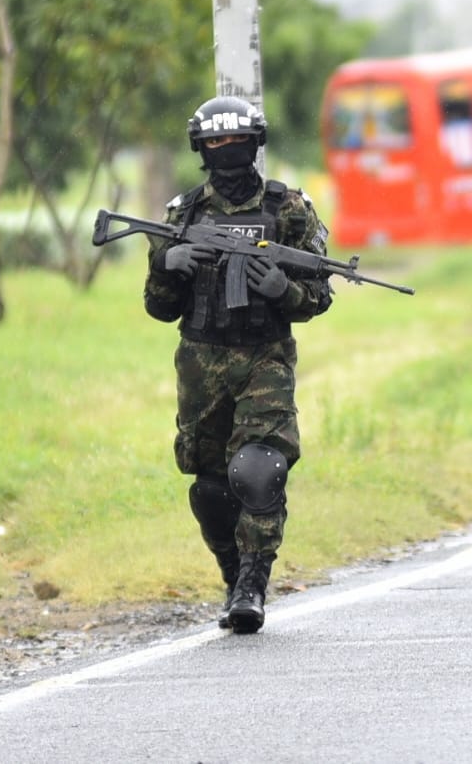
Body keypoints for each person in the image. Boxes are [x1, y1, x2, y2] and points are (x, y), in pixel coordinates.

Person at [142, 95, 335, 634]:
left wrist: (283, 289)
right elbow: (159, 308)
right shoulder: (183, 215)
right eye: (216, 142)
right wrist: (169, 265)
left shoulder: (289, 210)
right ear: (201, 149)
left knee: (257, 470)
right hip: (201, 365)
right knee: (209, 488)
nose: (227, 150)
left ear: (255, 144)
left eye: (236, 141)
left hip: (265, 360)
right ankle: (231, 573)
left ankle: (253, 582)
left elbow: (318, 298)